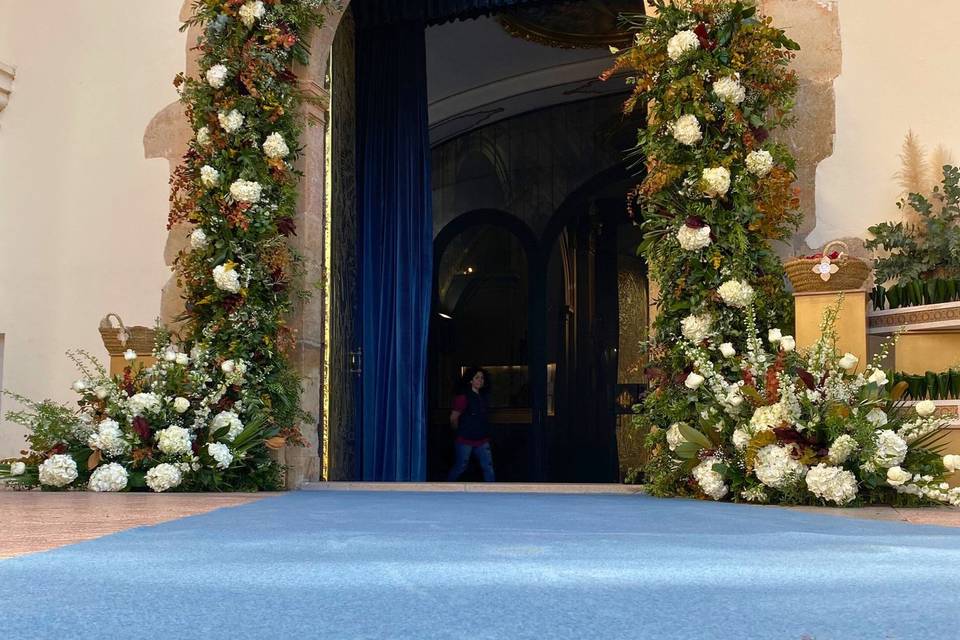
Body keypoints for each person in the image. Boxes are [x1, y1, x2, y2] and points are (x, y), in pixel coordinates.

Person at [447, 367, 495, 482]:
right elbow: (453, 418)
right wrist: (459, 432)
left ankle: (493, 492)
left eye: (482, 378)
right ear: (470, 380)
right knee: (460, 467)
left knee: (488, 467)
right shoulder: (463, 398)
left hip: (482, 440)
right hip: (464, 440)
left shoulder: (484, 398)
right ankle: (446, 488)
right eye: (477, 377)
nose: (480, 380)